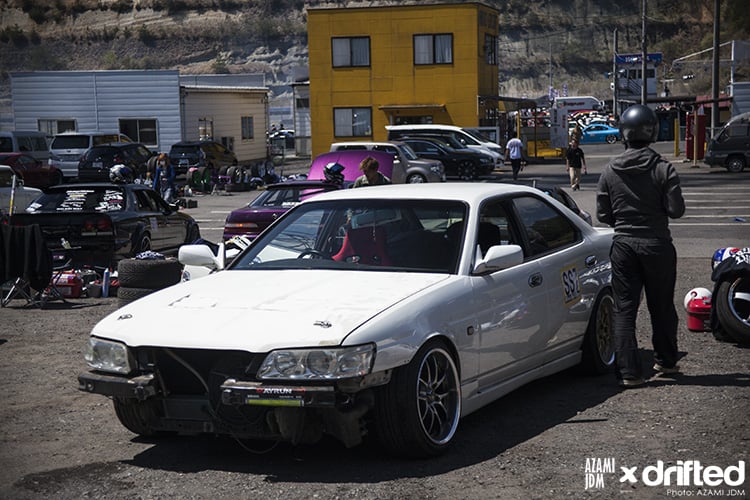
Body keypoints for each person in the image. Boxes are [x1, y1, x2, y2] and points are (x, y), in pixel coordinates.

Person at [596, 104, 686, 388]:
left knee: (625, 309)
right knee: (661, 306)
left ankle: (629, 372)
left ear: (624, 132)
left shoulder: (610, 170)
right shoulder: (663, 168)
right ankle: (666, 360)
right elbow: (676, 210)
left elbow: (603, 215)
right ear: (652, 131)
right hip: (657, 244)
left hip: (623, 246)